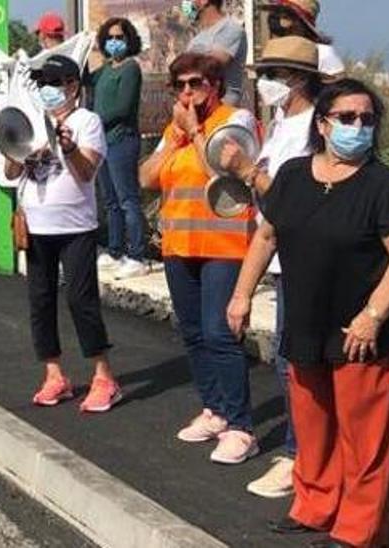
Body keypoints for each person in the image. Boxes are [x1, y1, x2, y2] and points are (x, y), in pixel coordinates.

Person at [227, 78, 389, 548]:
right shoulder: (293, 175)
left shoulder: (383, 184)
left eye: (368, 119)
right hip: (306, 324)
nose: (359, 126)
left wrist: (373, 315)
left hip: (362, 332)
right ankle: (315, 505)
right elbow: (267, 237)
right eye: (348, 117)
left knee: (364, 437)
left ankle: (359, 530)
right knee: (312, 426)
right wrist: (241, 295)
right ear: (323, 123)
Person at [140, 52, 260, 464]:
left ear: (215, 86)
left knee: (219, 334)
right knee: (192, 332)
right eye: (181, 86)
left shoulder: (234, 121)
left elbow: (224, 169)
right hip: (180, 245)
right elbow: (147, 178)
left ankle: (242, 426)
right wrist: (176, 136)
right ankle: (215, 410)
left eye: (197, 83)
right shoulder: (175, 130)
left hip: (224, 247)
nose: (188, 93)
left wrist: (193, 131)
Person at [219, 35, 325, 499]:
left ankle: (301, 456)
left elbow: (294, 200)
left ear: (296, 78)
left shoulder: (314, 130)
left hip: (304, 260)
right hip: (280, 256)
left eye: (270, 75)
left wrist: (246, 170)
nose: (263, 84)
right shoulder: (282, 122)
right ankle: (305, 453)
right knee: (290, 362)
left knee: (295, 363)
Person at [6, 55, 122, 413]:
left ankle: (104, 376)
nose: (46, 90)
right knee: (40, 302)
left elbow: (87, 172)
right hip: (37, 225)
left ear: (72, 86)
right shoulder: (32, 122)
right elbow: (11, 171)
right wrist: (21, 154)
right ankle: (54, 374)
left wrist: (67, 146)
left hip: (75, 227)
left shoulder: (87, 121)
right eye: (41, 84)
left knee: (80, 300)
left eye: (52, 83)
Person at [91, 17, 147, 280]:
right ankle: (115, 252)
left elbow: (123, 108)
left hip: (122, 141)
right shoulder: (104, 70)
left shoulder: (130, 68)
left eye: (119, 38)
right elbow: (80, 78)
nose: (114, 42)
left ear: (128, 40)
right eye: (110, 38)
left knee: (127, 200)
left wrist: (94, 120)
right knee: (110, 201)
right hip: (103, 142)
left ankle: (137, 255)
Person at [259, 0, 345, 81]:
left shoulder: (323, 53)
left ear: (302, 25)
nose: (278, 19)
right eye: (277, 13)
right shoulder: (271, 48)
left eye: (286, 15)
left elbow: (338, 87)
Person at [182, 0, 248, 105]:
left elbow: (212, 65)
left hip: (223, 109)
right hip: (197, 107)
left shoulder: (232, 29)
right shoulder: (195, 40)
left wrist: (186, 63)